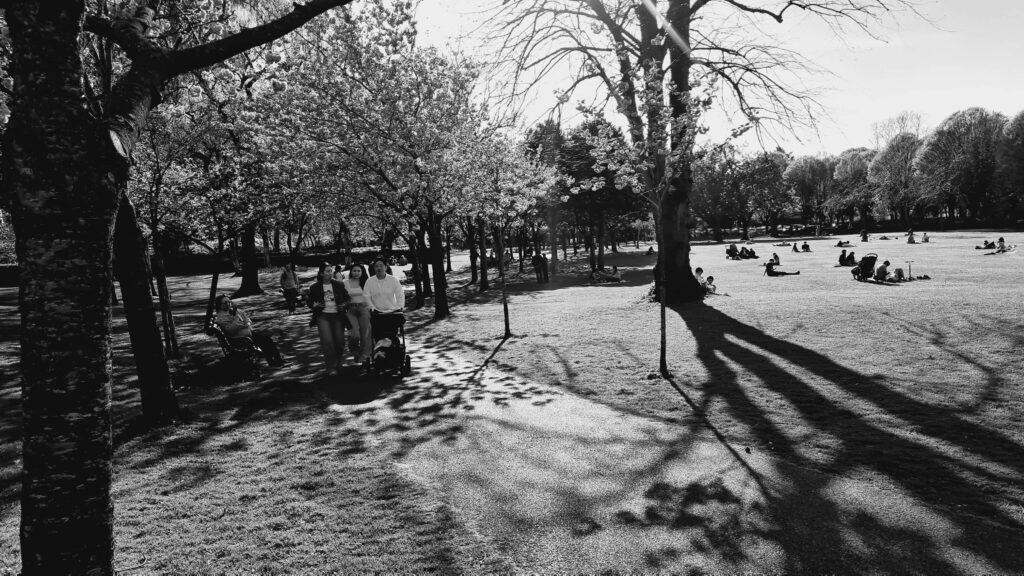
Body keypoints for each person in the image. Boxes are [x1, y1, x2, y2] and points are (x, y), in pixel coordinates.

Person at [214, 295, 285, 367]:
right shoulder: (221, 318)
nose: (228, 304)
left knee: (266, 339)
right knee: (265, 340)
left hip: (248, 334)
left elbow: (247, 319)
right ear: (220, 306)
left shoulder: (235, 311)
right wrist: (236, 320)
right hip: (240, 340)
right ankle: (275, 361)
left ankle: (275, 360)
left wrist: (246, 323)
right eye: (225, 303)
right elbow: (230, 331)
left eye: (229, 302)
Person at [308, 262, 350, 375]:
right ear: (321, 273)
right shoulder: (314, 287)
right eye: (327, 271)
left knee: (340, 341)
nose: (330, 273)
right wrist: (314, 305)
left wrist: (344, 304)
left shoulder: (339, 284)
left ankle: (339, 360)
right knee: (327, 342)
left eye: (330, 271)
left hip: (337, 315)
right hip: (323, 316)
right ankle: (330, 366)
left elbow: (348, 298)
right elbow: (309, 302)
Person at [342, 264, 372, 364]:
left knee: (365, 334)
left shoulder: (366, 282)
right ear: (351, 272)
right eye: (354, 271)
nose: (356, 273)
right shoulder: (345, 283)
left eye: (359, 271)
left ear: (362, 272)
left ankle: (364, 356)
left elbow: (372, 295)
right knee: (354, 334)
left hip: (364, 309)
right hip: (351, 310)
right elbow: (341, 296)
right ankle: (355, 352)